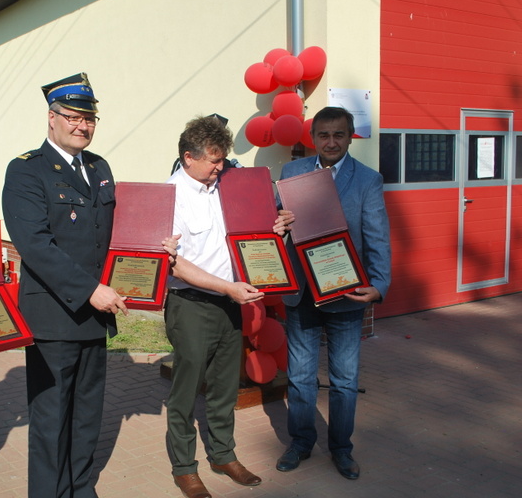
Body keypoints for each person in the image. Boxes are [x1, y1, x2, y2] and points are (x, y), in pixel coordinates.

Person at [1, 72, 176, 498]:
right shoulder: (26, 170)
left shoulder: (99, 167)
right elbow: (35, 245)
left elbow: (116, 234)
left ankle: (80, 488)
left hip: (95, 317)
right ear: (52, 117)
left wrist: (155, 248)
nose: (83, 126)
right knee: (50, 419)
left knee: (86, 415)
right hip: (54, 316)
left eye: (89, 119)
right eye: (73, 117)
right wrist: (90, 290)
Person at [165, 115, 292, 498]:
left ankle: (223, 455)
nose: (221, 167)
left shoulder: (228, 186)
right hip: (190, 305)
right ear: (188, 157)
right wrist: (227, 288)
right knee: (186, 391)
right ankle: (184, 468)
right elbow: (176, 265)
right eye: (214, 160)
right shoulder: (169, 196)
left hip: (230, 303)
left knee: (224, 388)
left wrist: (274, 231)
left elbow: (248, 235)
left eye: (223, 159)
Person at [275, 106, 391, 480]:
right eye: (323, 135)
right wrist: (278, 223)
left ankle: (341, 448)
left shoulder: (368, 180)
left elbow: (377, 236)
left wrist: (379, 285)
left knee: (344, 380)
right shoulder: (292, 173)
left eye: (338, 134)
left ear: (350, 136)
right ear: (313, 138)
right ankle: (301, 442)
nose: (330, 142)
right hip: (301, 293)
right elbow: (272, 222)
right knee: (300, 376)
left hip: (346, 293)